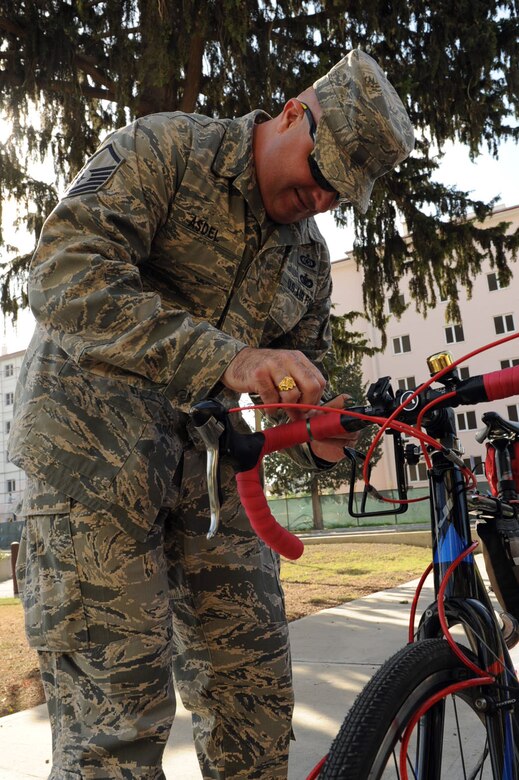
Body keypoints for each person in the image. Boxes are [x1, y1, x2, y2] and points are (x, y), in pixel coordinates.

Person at [9, 48, 414, 779]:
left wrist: (325, 439)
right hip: (90, 468)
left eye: (340, 193)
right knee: (116, 730)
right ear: (294, 113)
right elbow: (65, 276)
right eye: (320, 174)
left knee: (254, 703)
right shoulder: (165, 148)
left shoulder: (306, 260)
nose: (321, 199)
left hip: (211, 483)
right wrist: (228, 357)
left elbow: (293, 397)